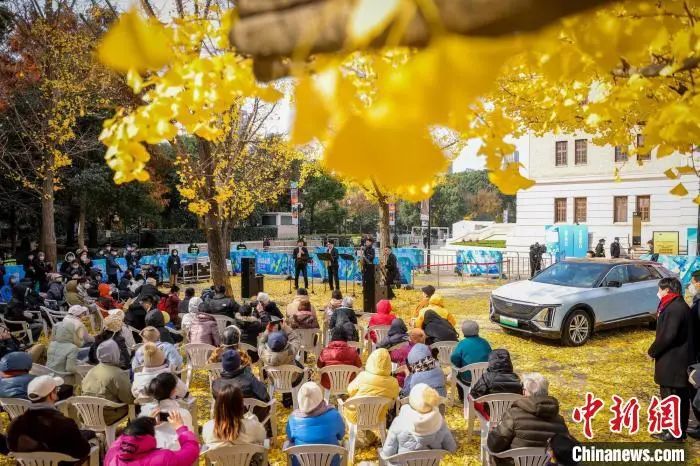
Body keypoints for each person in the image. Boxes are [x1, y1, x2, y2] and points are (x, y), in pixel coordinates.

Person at [648, 277, 694, 441]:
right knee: (680, 398)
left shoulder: (675, 308)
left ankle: (672, 432)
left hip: (672, 362)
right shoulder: (677, 305)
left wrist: (652, 351)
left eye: (660, 289)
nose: (658, 292)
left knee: (671, 397)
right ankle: (678, 431)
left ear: (667, 290)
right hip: (677, 361)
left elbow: (668, 335)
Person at [7, 375, 93, 462]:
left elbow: (11, 449)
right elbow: (82, 452)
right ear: (52, 395)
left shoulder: (15, 425)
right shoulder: (65, 424)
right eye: (56, 390)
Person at [487, 373, 569, 465]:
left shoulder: (513, 415)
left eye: (524, 389)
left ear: (526, 392)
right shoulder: (560, 421)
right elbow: (565, 451)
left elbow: (494, 446)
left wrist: (493, 433)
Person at [381, 383, 457, 457]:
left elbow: (388, 453)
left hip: (404, 462)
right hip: (433, 462)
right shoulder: (439, 421)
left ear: (412, 400)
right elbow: (451, 448)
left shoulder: (399, 422)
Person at [285, 382, 346, 466]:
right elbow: (341, 435)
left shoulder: (293, 420)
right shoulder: (334, 415)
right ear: (320, 397)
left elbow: (290, 439)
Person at [203, 384, 266, 464]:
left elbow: (206, 445)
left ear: (218, 406)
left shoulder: (208, 428)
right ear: (241, 405)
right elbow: (263, 438)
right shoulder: (253, 426)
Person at [104, 414, 199, 466]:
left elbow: (123, 439)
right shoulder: (162, 459)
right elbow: (190, 453)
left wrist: (144, 423)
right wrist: (181, 428)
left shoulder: (112, 455)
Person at [81, 340, 134, 425]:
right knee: (136, 406)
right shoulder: (118, 373)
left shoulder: (92, 370)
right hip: (107, 416)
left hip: (87, 414)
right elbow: (129, 399)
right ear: (115, 354)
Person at [139, 373, 194, 450]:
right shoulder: (183, 414)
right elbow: (190, 439)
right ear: (174, 391)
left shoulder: (144, 412)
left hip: (153, 454)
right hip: (179, 455)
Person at [212, 350, 270, 422]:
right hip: (252, 418)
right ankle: (268, 428)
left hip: (226, 419)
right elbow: (264, 394)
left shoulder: (216, 384)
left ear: (223, 365)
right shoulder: (249, 380)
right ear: (239, 363)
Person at [345, 348, 400, 425]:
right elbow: (395, 396)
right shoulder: (393, 381)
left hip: (357, 416)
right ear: (388, 363)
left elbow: (350, 390)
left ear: (371, 360)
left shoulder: (362, 376)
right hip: (379, 416)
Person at [470, 349, 523, 417]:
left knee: (470, 398)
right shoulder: (516, 377)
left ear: (491, 361)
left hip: (491, 414)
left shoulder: (487, 377)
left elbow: (474, 394)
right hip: (511, 414)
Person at [259, 331, 302, 408]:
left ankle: (286, 398)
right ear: (285, 344)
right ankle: (290, 398)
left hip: (274, 380)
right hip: (292, 380)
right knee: (299, 367)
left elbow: (261, 343)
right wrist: (286, 328)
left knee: (292, 367)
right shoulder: (290, 351)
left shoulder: (263, 353)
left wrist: (267, 332)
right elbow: (296, 340)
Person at [451, 320, 492, 400]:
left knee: (457, 376)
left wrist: (459, 366)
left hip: (467, 379)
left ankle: (462, 398)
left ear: (463, 331)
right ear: (477, 330)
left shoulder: (462, 343)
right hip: (484, 378)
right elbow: (491, 357)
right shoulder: (485, 342)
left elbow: (454, 359)